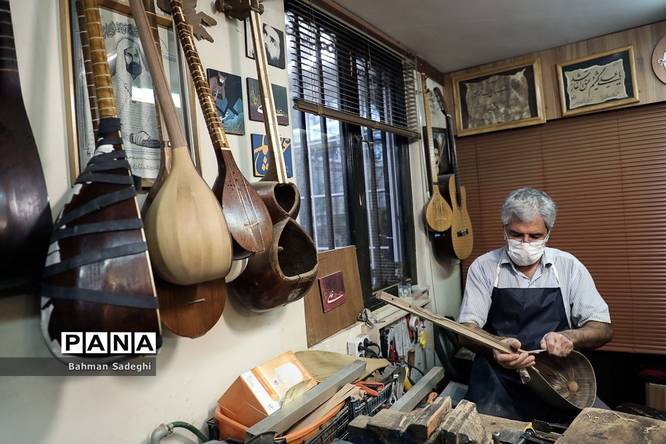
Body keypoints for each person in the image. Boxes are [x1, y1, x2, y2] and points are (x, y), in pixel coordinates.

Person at [458, 187, 613, 421]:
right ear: (504, 229)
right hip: (498, 380)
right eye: (516, 234)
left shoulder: (568, 266)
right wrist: (496, 346)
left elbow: (603, 328)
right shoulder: (483, 267)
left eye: (535, 236)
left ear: (548, 232)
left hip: (555, 378)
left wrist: (570, 337)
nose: (525, 243)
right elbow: (465, 331)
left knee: (601, 427)